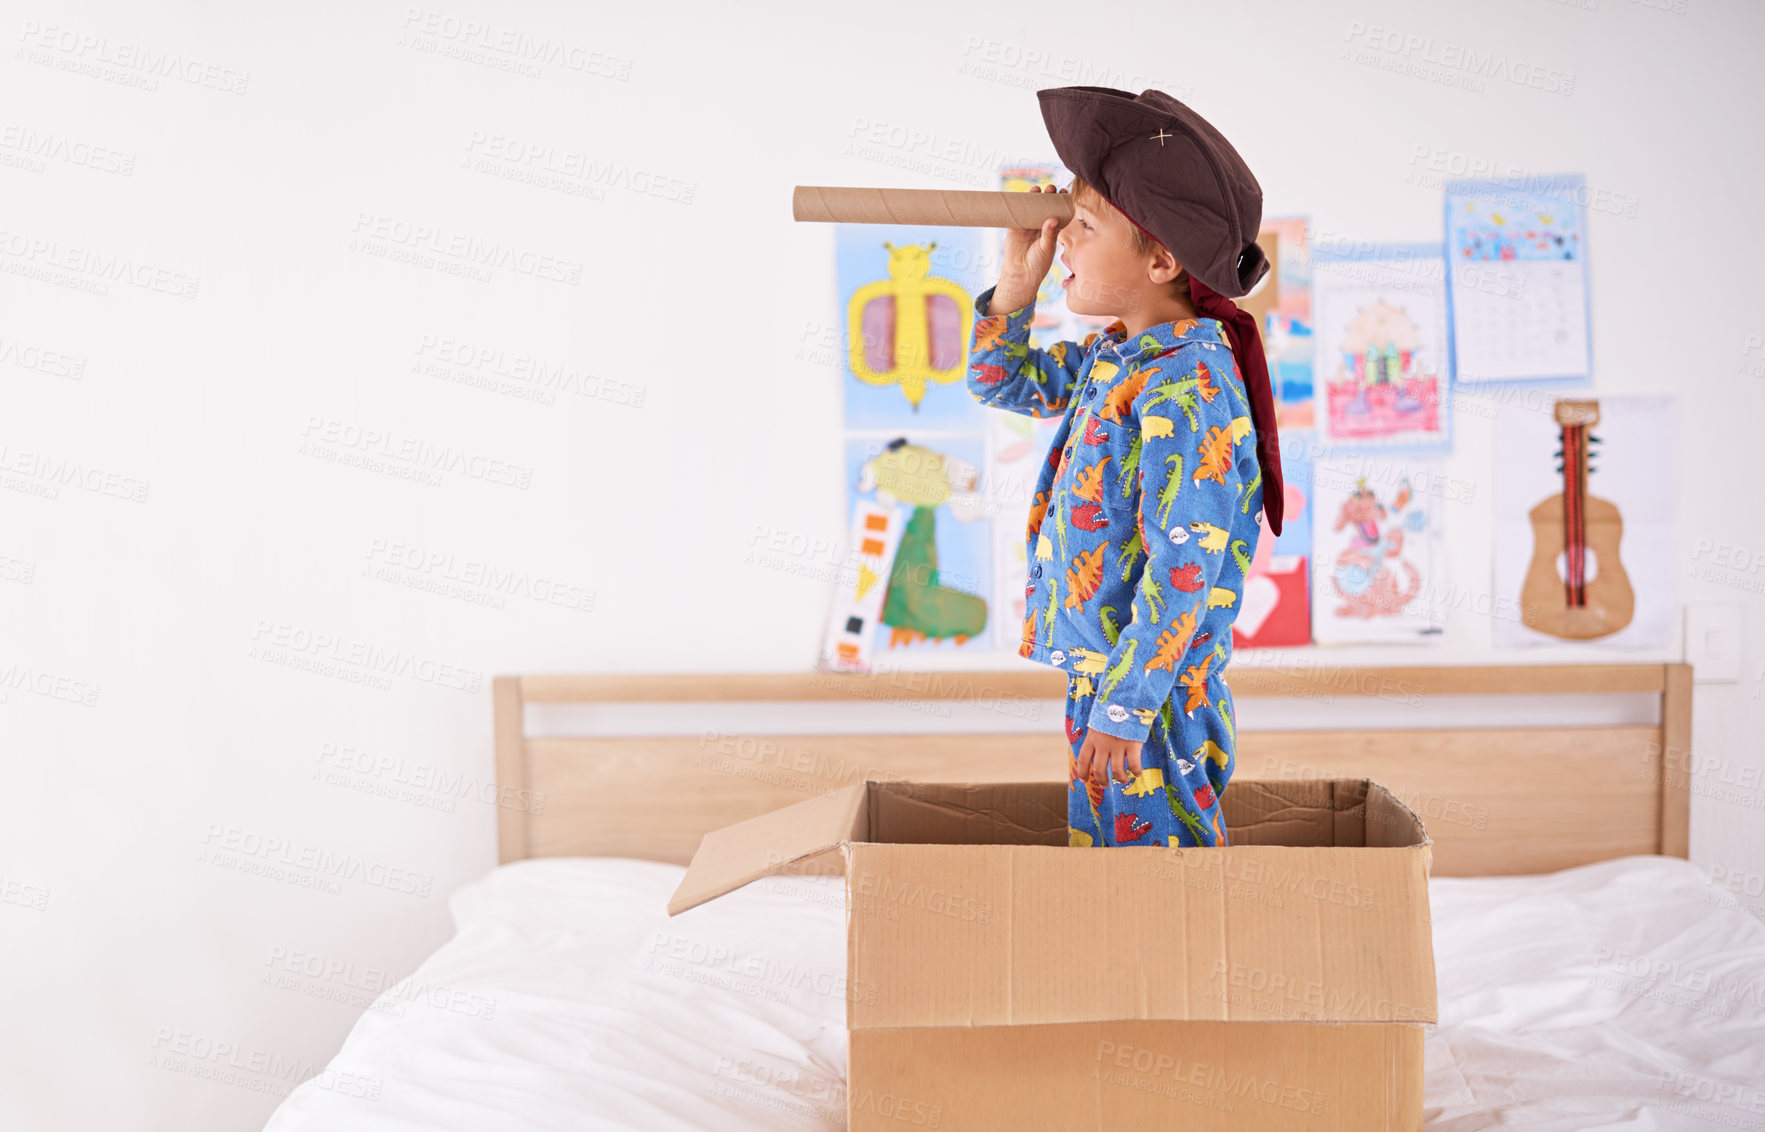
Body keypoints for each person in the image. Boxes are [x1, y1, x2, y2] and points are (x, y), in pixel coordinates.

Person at [965, 86, 1286, 848]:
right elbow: (999, 383)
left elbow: (1186, 561)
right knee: (1110, 873)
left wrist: (1126, 708)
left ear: (1161, 260)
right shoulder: (1119, 356)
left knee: (1159, 884)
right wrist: (1016, 290)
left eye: (1082, 228)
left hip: (1153, 693)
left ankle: (1179, 972)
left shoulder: (1188, 385)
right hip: (1110, 676)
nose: (1063, 244)